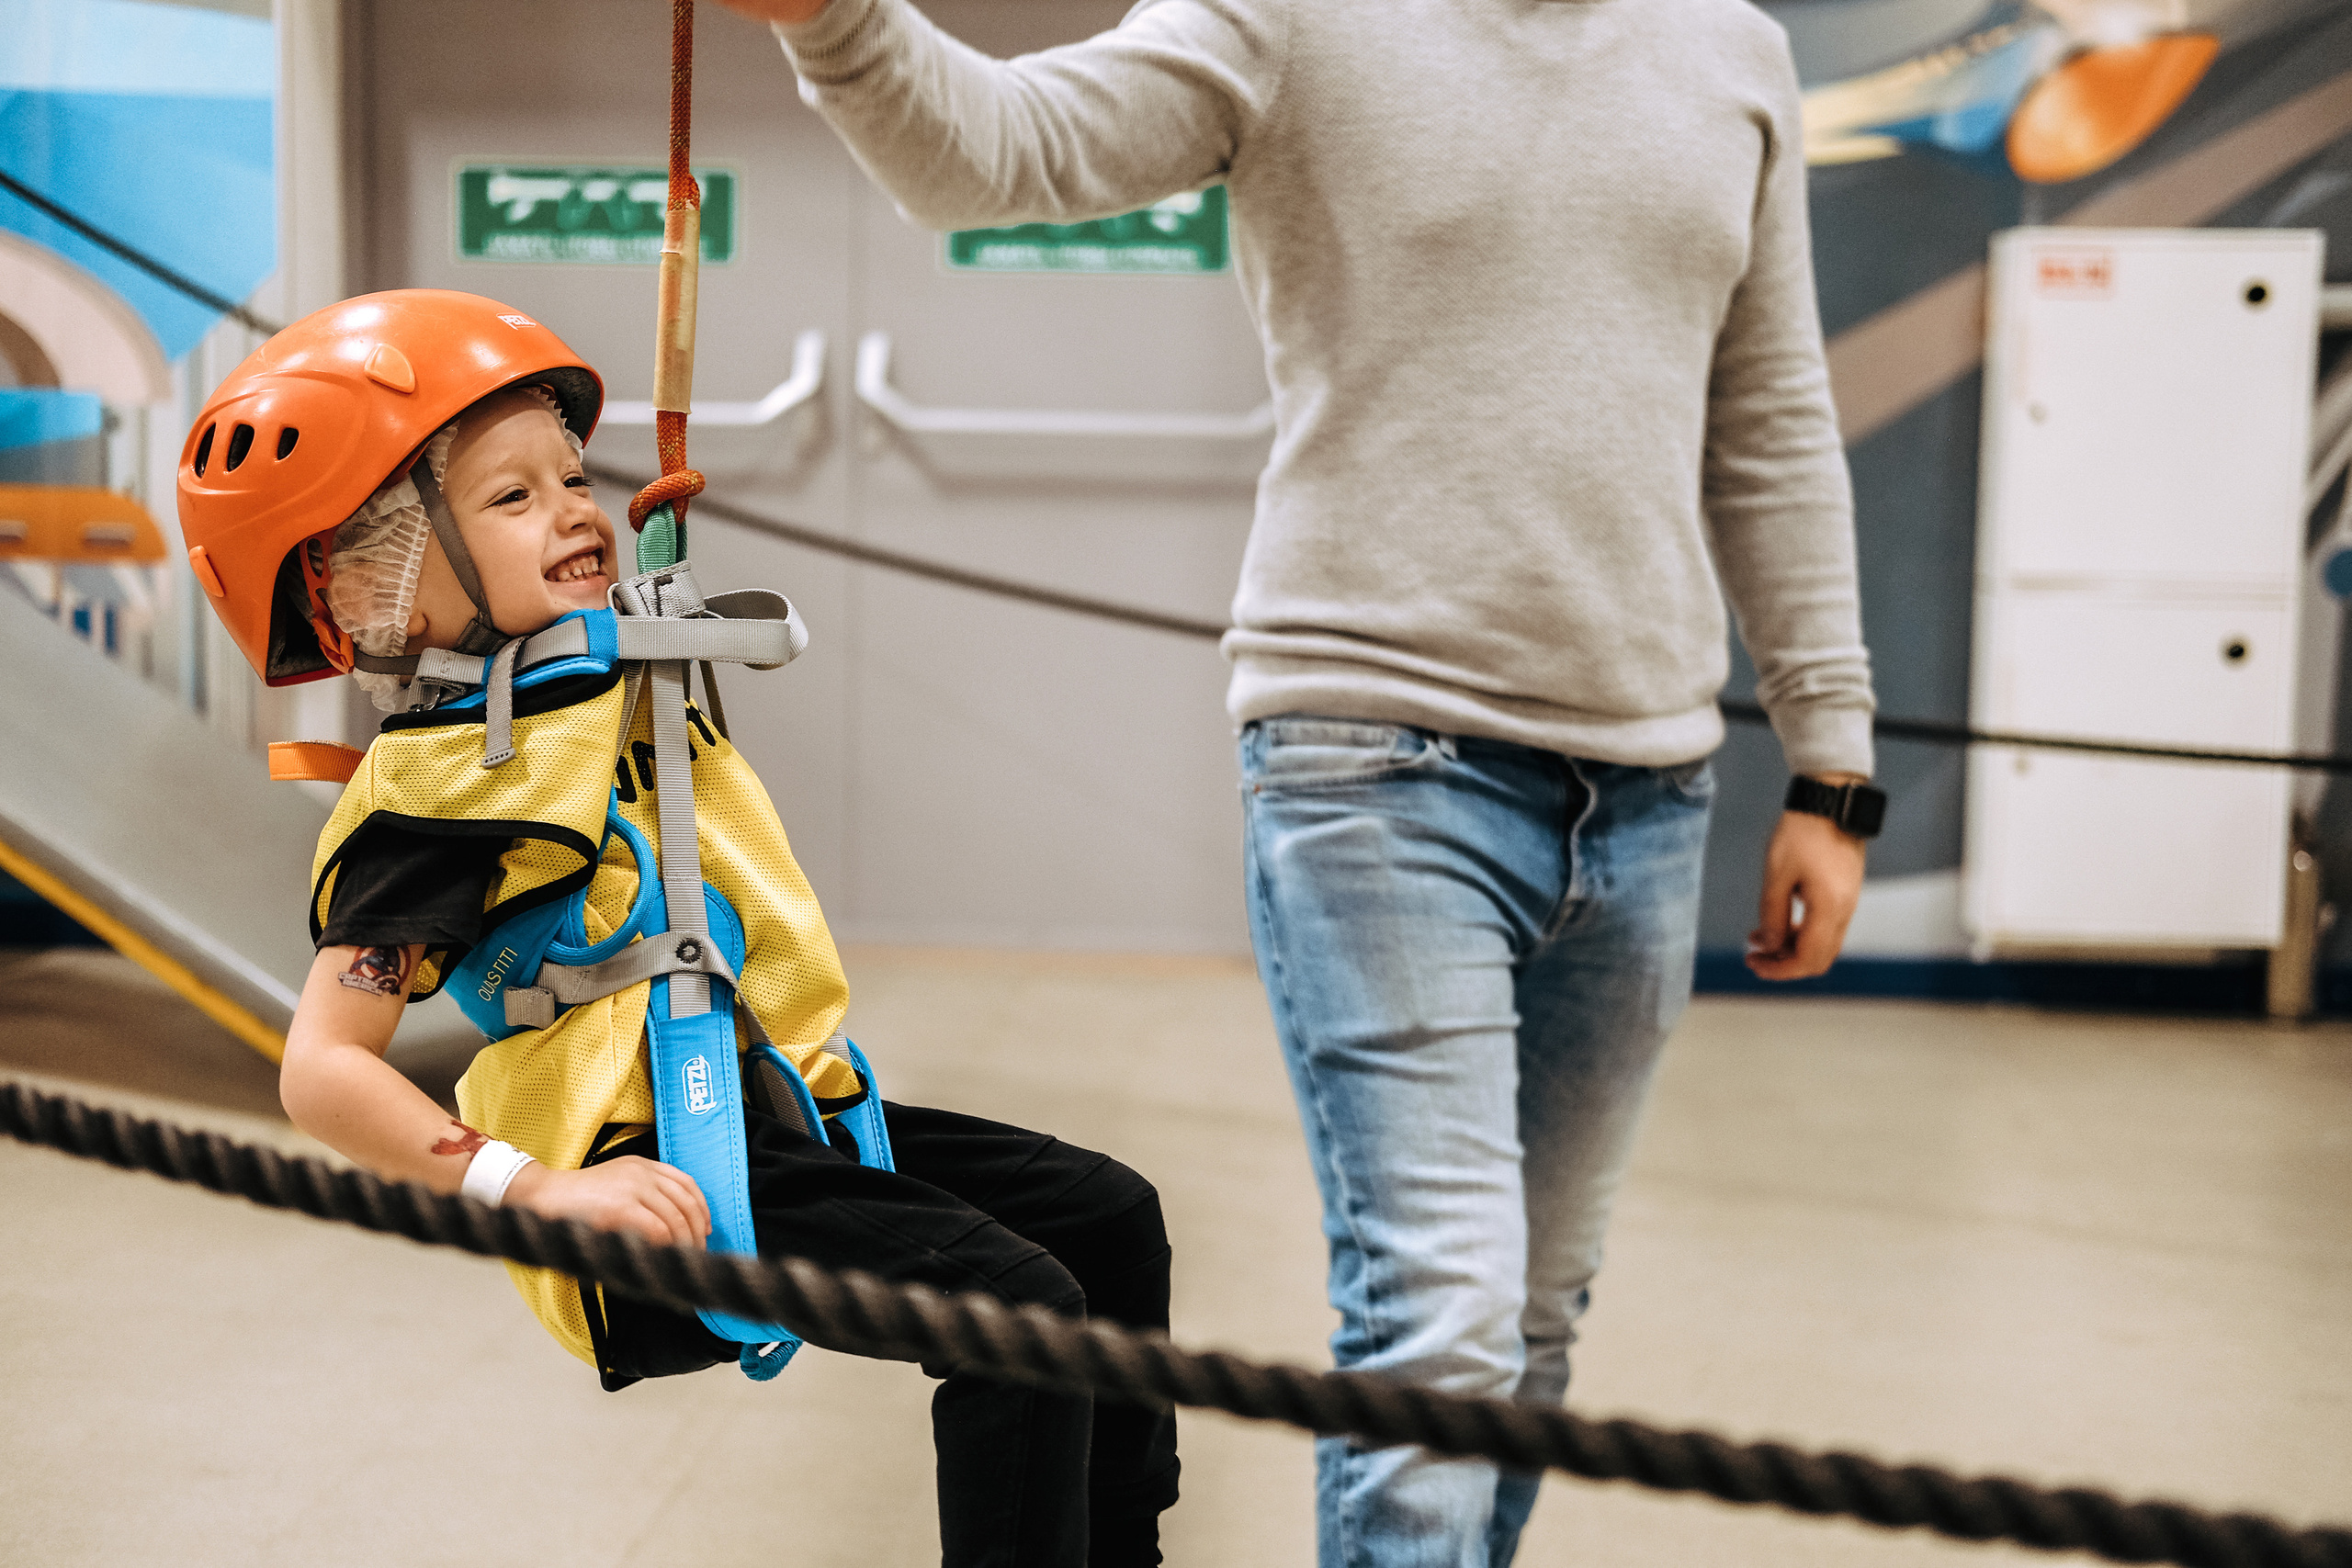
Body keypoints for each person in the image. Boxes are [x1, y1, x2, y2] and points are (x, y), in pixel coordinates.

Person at [709, 0, 1883, 1562]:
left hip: (1654, 787)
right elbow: (998, 149)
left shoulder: (1730, 47)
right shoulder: (1291, 16)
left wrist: (1835, 759)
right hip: (1376, 762)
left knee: (1530, 1323)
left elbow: (1772, 418)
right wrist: (838, 17)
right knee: (1443, 1320)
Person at [176, 289, 1181, 1568]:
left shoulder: (589, 691)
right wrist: (538, 1192)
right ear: (387, 576)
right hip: (656, 1185)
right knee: (1017, 1312)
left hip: (777, 1124)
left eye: (572, 476)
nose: (576, 510)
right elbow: (319, 1069)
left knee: (1108, 1219)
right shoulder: (437, 804)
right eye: (513, 498)